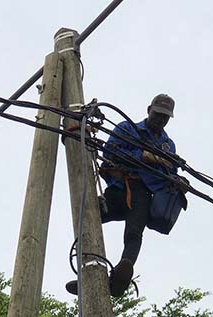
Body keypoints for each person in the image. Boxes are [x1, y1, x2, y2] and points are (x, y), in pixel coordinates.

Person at [66, 93, 188, 297]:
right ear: (149, 110)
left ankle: (120, 276)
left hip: (143, 196)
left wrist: (178, 183)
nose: (160, 120)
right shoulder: (127, 128)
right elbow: (110, 152)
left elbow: (169, 175)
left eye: (165, 117)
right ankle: (87, 274)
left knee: (134, 233)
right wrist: (144, 156)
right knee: (88, 218)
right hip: (119, 189)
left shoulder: (168, 145)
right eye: (158, 114)